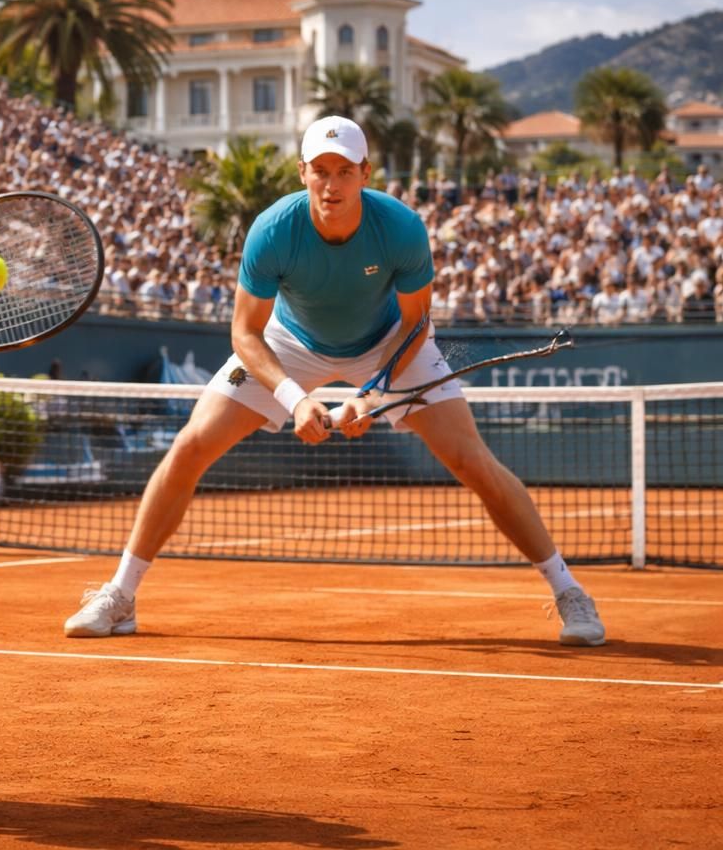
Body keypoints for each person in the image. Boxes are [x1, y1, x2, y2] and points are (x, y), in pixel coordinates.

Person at [63, 116, 606, 648]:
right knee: (190, 445)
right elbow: (245, 334)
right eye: (320, 170)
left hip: (392, 343)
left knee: (472, 461)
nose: (332, 183)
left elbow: (417, 324)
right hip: (289, 344)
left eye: (344, 170)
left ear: (365, 173)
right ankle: (121, 595)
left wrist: (368, 396)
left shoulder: (401, 229)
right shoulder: (273, 230)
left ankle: (569, 591)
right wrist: (296, 400)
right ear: (302, 173)